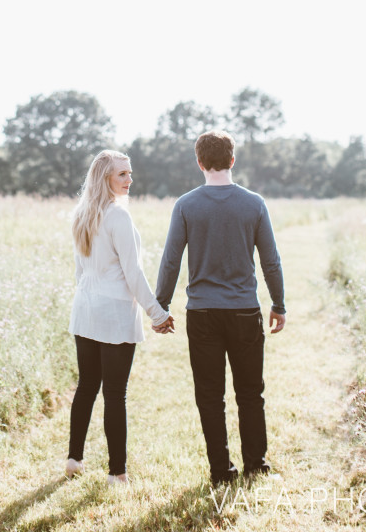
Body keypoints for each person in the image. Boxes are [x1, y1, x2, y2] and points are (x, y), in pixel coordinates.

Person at [154, 130, 286, 486]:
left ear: (199, 162)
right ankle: (256, 465)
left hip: (202, 315)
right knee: (250, 393)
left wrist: (161, 305)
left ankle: (221, 472)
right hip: (245, 311)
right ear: (232, 160)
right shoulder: (254, 203)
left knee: (210, 396)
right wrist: (279, 304)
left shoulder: (185, 205)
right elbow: (270, 261)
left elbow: (170, 261)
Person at [66, 149, 171, 484]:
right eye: (122, 174)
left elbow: (80, 272)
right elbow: (133, 274)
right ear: (105, 178)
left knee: (86, 386)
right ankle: (117, 474)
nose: (129, 179)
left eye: (129, 173)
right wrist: (157, 313)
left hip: (85, 309)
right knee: (114, 393)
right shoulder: (117, 217)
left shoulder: (83, 213)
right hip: (112, 314)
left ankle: (74, 460)